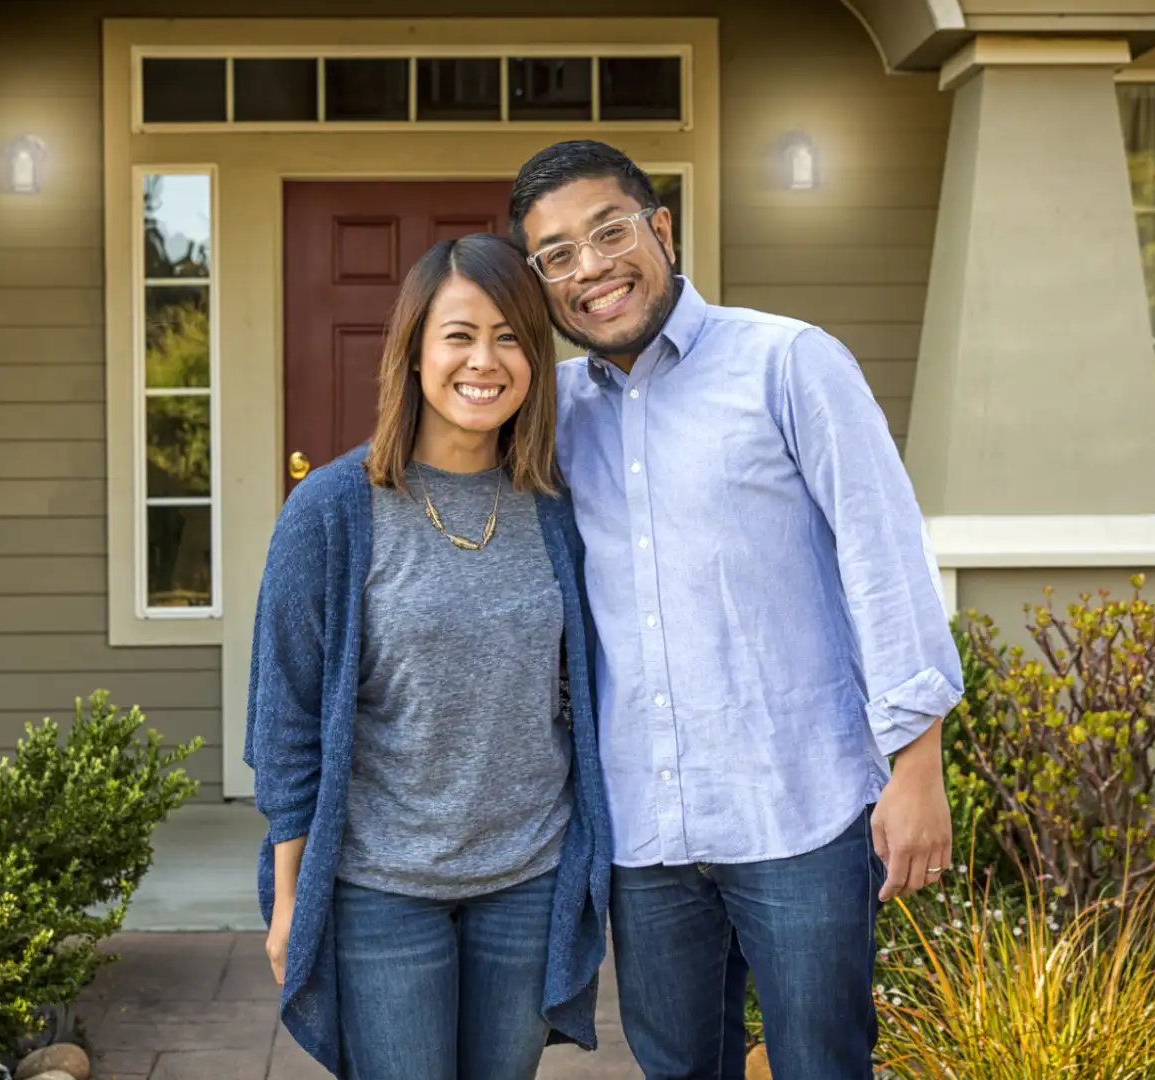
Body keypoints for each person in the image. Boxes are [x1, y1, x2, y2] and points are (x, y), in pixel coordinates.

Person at [509, 139, 965, 1080]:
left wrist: (917, 761)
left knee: (822, 1064)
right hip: (646, 829)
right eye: (557, 255)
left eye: (608, 231)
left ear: (661, 230)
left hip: (799, 807)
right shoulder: (549, 413)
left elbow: (884, 558)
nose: (590, 267)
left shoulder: (789, 363)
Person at [246, 232, 612, 1080]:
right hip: (382, 888)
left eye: (512, 337)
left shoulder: (556, 506)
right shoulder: (333, 511)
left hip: (527, 876)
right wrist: (292, 896)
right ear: (412, 353)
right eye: (459, 335)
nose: (485, 361)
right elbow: (285, 719)